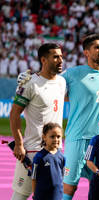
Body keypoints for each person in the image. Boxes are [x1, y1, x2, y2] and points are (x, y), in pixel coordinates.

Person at [61, 33, 99, 200]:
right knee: (69, 187)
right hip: (77, 138)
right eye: (97, 47)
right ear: (86, 52)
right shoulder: (73, 73)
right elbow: (55, 88)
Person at [10, 43, 65, 200]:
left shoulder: (62, 82)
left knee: (51, 195)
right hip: (33, 151)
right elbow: (14, 114)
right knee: (20, 195)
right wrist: (19, 144)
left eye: (61, 56)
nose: (60, 60)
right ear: (44, 60)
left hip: (55, 151)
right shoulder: (30, 83)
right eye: (55, 57)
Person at [32, 123, 65, 200]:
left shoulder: (62, 157)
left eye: (58, 136)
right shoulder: (39, 157)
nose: (56, 139)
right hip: (42, 196)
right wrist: (35, 195)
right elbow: (34, 178)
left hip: (57, 195)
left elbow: (62, 177)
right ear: (44, 137)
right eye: (52, 137)